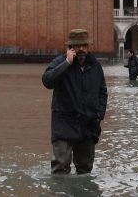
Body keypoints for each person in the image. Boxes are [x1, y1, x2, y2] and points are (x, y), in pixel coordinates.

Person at [42, 29, 108, 175]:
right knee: (60, 167)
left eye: (84, 45)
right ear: (70, 47)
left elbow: (102, 91)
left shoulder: (95, 66)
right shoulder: (59, 62)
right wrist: (67, 63)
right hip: (64, 124)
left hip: (88, 124)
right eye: (77, 46)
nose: (81, 49)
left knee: (85, 169)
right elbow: (47, 81)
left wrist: (99, 114)